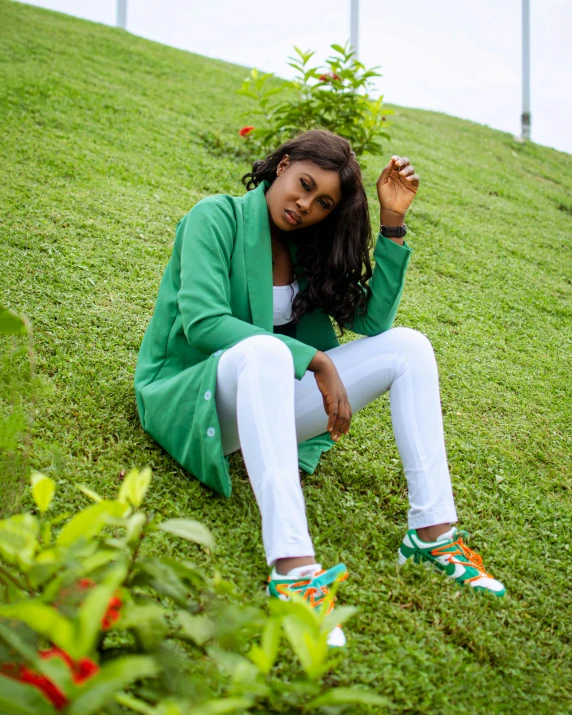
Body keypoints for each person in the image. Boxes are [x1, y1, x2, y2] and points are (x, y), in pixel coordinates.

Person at [134, 129, 505, 648]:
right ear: (282, 165)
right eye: (303, 185)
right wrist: (313, 359)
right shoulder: (214, 217)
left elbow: (374, 324)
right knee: (264, 350)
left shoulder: (307, 249)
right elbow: (202, 321)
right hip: (193, 396)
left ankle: (431, 533)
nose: (304, 205)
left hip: (262, 406)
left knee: (409, 345)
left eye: (322, 202)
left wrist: (393, 223)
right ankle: (293, 569)